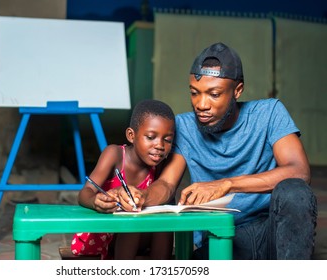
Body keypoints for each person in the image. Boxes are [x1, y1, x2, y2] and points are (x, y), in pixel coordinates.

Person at [117, 42, 318, 260]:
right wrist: (142, 197)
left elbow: (299, 171)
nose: (201, 104)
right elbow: (166, 184)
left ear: (237, 91)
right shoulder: (184, 126)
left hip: (272, 232)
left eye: (214, 94)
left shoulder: (269, 113)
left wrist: (227, 184)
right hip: (221, 237)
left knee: (295, 192)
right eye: (195, 93)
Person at [71, 99, 175, 260]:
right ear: (131, 135)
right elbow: (85, 193)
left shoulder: (160, 165)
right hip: (102, 234)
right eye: (150, 137)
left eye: (167, 140)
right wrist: (95, 201)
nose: (159, 145)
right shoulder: (115, 154)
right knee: (131, 219)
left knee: (164, 219)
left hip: (137, 236)